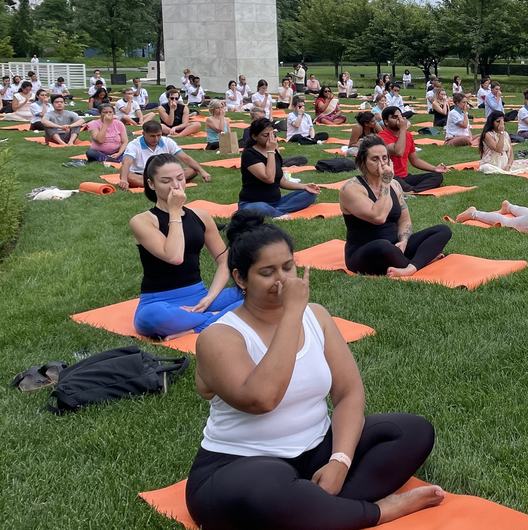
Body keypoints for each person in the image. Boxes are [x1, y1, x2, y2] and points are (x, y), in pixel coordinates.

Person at [187, 209, 444, 529]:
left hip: (317, 449)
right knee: (271, 486)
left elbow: (349, 392)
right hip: (242, 466)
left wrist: (340, 460)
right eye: (267, 272)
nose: (282, 279)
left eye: (288, 267)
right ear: (240, 278)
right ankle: (377, 512)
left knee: (411, 431)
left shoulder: (317, 316)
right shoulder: (219, 336)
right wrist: (292, 314)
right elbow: (262, 398)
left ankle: (319, 508)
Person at [130, 153, 243, 339]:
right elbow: (174, 256)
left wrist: (210, 298)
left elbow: (225, 261)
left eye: (180, 178)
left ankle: (197, 324)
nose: (176, 186)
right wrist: (174, 211)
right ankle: (219, 319)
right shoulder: (142, 221)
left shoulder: (201, 216)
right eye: (166, 181)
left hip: (199, 298)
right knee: (152, 317)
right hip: (159, 303)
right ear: (151, 184)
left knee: (259, 292)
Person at [339, 136, 452, 277]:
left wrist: (404, 241)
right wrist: (385, 183)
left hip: (395, 246)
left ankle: (409, 267)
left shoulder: (395, 185)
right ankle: (419, 262)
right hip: (364, 252)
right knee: (383, 246)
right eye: (375, 159)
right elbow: (378, 217)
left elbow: (405, 220)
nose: (381, 164)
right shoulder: (351, 189)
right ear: (363, 162)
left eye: (385, 158)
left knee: (442, 230)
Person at [239, 118, 321, 218]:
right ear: (254, 137)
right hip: (253, 203)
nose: (270, 138)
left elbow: (282, 181)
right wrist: (270, 152)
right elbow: (269, 178)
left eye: (272, 134)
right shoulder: (249, 154)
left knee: (309, 194)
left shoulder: (274, 151)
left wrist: (305, 186)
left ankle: (275, 212)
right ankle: (276, 213)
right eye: (265, 135)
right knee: (261, 208)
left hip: (277, 202)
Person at [119, 121, 212, 190]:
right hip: (141, 175)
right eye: (152, 136)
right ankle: (164, 183)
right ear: (143, 134)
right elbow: (126, 163)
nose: (156, 139)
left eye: (158, 135)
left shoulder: (167, 141)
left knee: (193, 170)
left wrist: (202, 171)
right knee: (128, 176)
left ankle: (159, 184)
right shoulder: (134, 144)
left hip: (166, 174)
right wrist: (123, 180)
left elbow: (185, 158)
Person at [378, 107, 446, 192]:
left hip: (405, 177)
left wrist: (434, 168)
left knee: (437, 176)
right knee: (395, 181)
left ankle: (412, 190)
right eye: (395, 117)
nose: (399, 120)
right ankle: (410, 190)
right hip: (390, 176)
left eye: (400, 117)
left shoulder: (408, 135)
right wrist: (403, 129)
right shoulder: (381, 137)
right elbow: (398, 152)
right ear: (386, 122)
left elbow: (415, 160)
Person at [477, 111, 528, 176]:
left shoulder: (506, 134)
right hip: (492, 163)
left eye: (502, 121)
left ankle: (506, 169)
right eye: (498, 122)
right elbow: (499, 149)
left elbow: (511, 152)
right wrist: (501, 133)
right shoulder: (488, 135)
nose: (501, 124)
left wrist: (509, 165)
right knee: (488, 168)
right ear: (492, 122)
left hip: (505, 162)